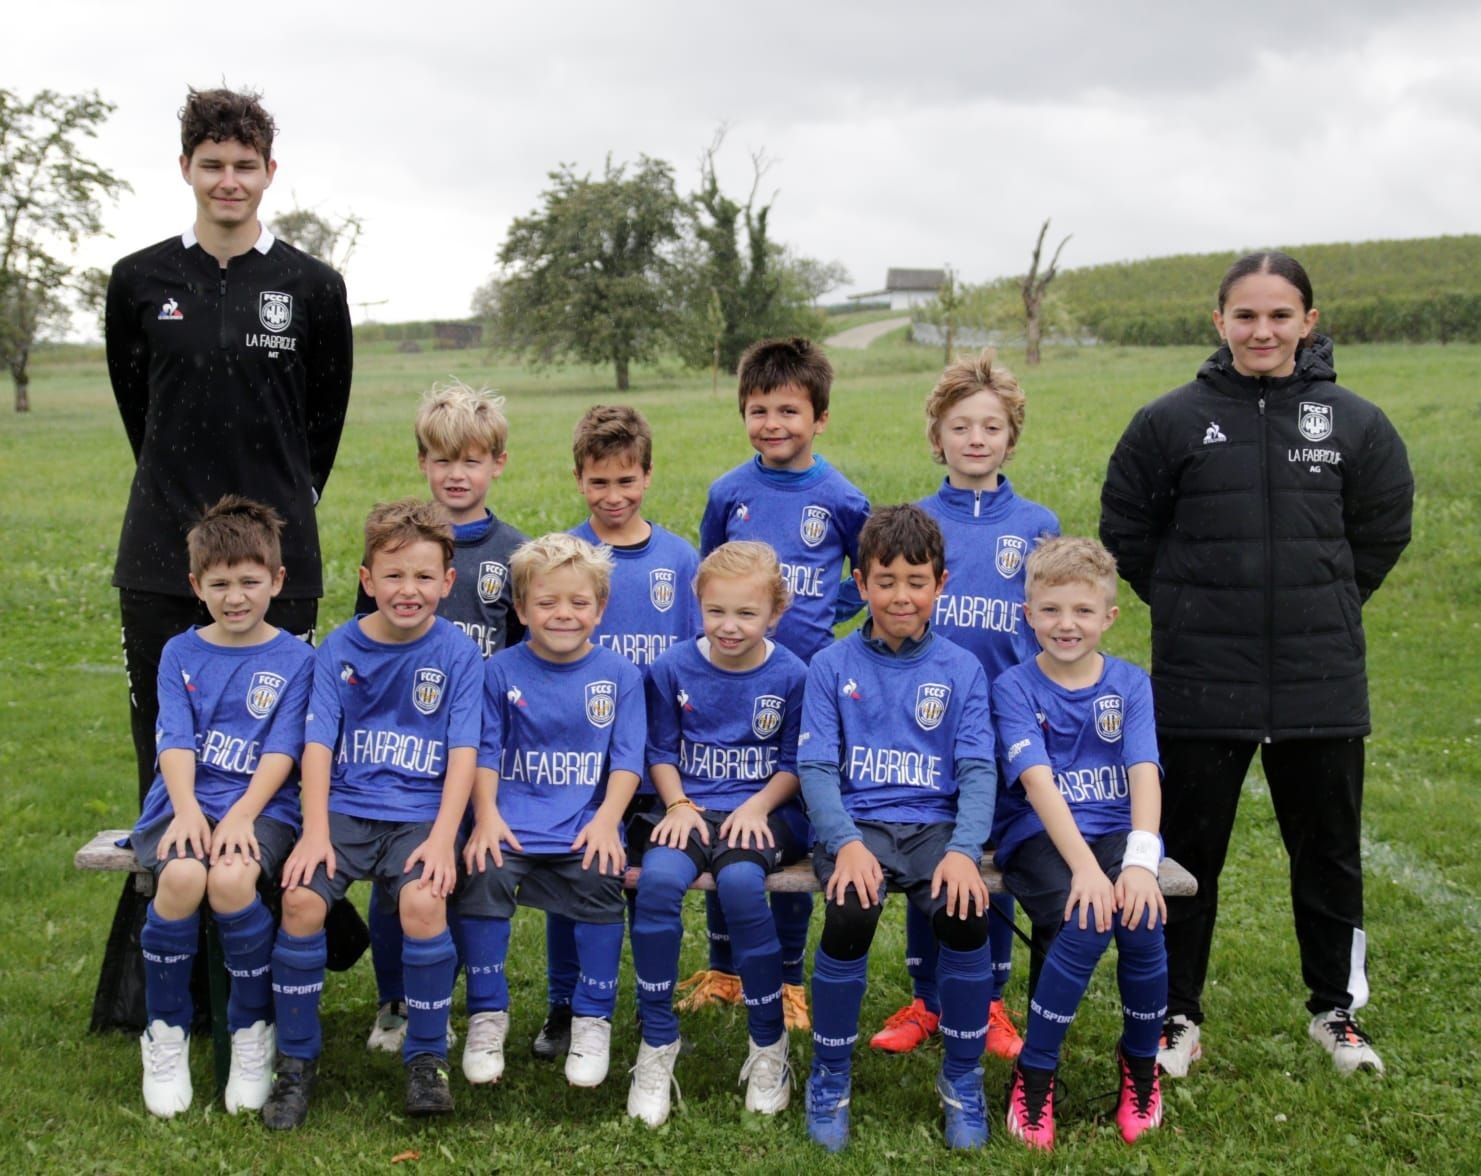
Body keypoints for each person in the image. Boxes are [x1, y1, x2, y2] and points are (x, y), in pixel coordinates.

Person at [1099, 251, 1414, 1078]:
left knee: (1328, 855)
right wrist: (1186, 602)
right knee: (1184, 858)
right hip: (1202, 680)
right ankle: (1174, 1015)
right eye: (1245, 315)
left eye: (1280, 315)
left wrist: (1326, 600)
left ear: (1308, 321)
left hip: (1320, 682)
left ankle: (1335, 1013)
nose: (1262, 330)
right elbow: (1128, 531)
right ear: (1219, 323)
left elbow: (1379, 534)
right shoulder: (1168, 421)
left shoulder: (1354, 422)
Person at [99, 84, 353, 1034]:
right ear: (186, 172)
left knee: (273, 764)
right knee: (167, 767)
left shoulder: (311, 288)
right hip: (164, 561)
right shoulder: (136, 280)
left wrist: (270, 524)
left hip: (277, 564)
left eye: (246, 165)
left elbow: (315, 429)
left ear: (269, 173)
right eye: (213, 164)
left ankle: (271, 965)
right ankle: (158, 994)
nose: (230, 180)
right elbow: (142, 413)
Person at [263, 500, 481, 1129]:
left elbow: (463, 753)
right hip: (345, 813)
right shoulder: (338, 649)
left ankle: (426, 1058)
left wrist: (444, 839)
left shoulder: (458, 654)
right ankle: (295, 1063)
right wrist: (313, 831)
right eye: (392, 576)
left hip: (420, 813)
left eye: (422, 577)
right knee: (302, 900)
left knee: (421, 902)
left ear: (447, 581)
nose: (407, 590)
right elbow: (317, 747)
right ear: (366, 580)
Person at [871, 348, 1059, 1061]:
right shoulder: (915, 518)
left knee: (991, 851)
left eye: (990, 426)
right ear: (937, 436)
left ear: (1011, 436)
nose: (975, 439)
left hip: (1006, 720)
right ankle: (926, 999)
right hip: (924, 723)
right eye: (960, 426)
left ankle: (987, 1002)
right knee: (933, 848)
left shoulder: (1036, 521)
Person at [799, 505, 997, 1152]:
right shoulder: (830, 666)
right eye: (885, 581)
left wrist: (965, 851)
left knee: (966, 913)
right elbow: (817, 769)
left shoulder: (962, 669)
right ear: (860, 584)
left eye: (916, 581)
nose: (900, 596)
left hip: (935, 827)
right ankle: (829, 1076)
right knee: (850, 913)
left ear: (940, 584)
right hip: (858, 826)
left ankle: (963, 1080)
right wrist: (847, 844)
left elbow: (975, 770)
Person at [694, 336, 870, 1031]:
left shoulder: (840, 497)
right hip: (728, 681)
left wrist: (826, 622)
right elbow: (711, 571)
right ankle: (722, 967)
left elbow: (867, 579)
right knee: (724, 810)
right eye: (758, 410)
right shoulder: (728, 492)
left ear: (819, 418)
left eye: (789, 411)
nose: (773, 424)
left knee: (781, 819)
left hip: (801, 687)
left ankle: (789, 976)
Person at [131, 497, 314, 1118]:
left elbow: (285, 749)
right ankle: (166, 1032)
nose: (235, 597)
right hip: (181, 802)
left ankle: (250, 1032)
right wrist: (187, 812)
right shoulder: (181, 654)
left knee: (233, 880)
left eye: (249, 582)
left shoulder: (296, 659)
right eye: (219, 584)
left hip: (261, 807)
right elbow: (174, 739)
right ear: (195, 586)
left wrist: (239, 816)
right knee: (182, 875)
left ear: (277, 581)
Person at [359, 380, 526, 1056]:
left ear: (497, 465)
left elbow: (525, 656)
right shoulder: (398, 545)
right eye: (442, 460)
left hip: (477, 751)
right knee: (393, 877)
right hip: (402, 750)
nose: (457, 475)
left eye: (472, 460)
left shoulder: (514, 552)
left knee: (459, 871)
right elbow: (362, 645)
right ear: (422, 464)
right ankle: (395, 1000)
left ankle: (465, 1001)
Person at [535, 406, 700, 1061]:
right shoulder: (565, 556)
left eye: (626, 481)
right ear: (578, 479)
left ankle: (648, 1007)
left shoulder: (679, 558)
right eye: (599, 482)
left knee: (649, 887)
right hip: (582, 762)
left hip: (657, 758)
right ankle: (563, 1005)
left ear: (648, 476)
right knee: (568, 882)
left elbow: (695, 657)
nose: (613, 496)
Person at [993, 538, 1167, 1150]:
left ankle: (1141, 1066)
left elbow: (1144, 771)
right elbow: (1038, 784)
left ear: (1108, 617)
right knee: (1089, 913)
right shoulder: (1014, 687)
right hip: (1039, 834)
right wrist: (1089, 870)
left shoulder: (1130, 684)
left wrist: (1141, 863)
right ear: (1028, 613)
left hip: (1117, 832)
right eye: (1051, 610)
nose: (1067, 624)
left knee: (1141, 915)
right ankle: (1035, 1072)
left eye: (1082, 611)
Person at [627, 541, 808, 1126]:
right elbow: (658, 749)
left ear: (775, 613)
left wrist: (757, 806)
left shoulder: (792, 673)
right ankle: (656, 1044)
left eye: (747, 614)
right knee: (656, 884)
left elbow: (792, 763)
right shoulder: (673, 667)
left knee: (738, 888)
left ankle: (768, 1047)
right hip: (689, 806)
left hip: (764, 809)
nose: (729, 627)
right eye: (716, 612)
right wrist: (676, 802)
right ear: (697, 607)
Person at [457, 533, 645, 1090]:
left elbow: (627, 760)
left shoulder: (620, 676)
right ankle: (486, 1016)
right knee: (484, 872)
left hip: (584, 824)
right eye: (546, 603)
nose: (563, 614)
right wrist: (487, 816)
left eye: (578, 603)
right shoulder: (499, 672)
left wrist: (608, 819)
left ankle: (592, 1019)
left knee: (599, 874)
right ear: (520, 608)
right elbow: (485, 751)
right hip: (511, 823)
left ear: (600, 608)